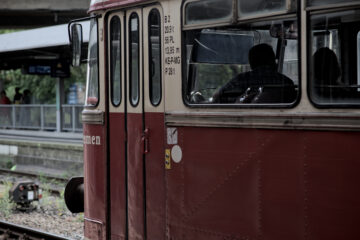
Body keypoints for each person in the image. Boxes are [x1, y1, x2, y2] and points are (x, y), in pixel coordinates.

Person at [212, 43, 295, 103]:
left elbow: (217, 99)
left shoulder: (240, 80)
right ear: (273, 60)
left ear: (252, 63)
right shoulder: (286, 82)